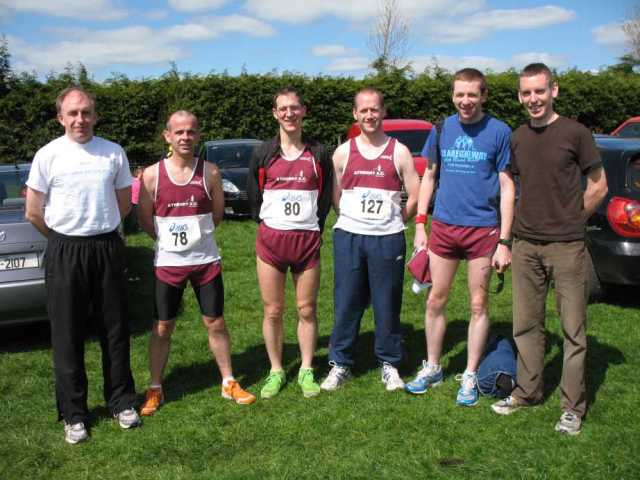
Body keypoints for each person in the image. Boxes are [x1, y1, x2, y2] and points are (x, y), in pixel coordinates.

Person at [491, 63, 608, 435]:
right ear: (520, 96)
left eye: (539, 91)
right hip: (526, 245)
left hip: (568, 246)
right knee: (526, 325)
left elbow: (599, 185)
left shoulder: (575, 132)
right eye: (526, 93)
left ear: (553, 90)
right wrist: (507, 241)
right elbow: (513, 186)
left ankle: (572, 407)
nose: (533, 99)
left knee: (573, 330)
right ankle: (528, 392)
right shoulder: (517, 137)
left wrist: (574, 220)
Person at [25, 86, 140, 444]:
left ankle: (121, 401)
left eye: (87, 112)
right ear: (61, 117)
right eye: (73, 113)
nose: (80, 119)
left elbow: (123, 204)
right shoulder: (48, 155)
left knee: (115, 329)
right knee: (67, 334)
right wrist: (64, 239)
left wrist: (97, 230)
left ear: (95, 115)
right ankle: (74, 414)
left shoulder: (113, 153)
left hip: (106, 246)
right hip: (64, 251)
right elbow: (33, 212)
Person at [405, 68, 515, 407]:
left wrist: (505, 241)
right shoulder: (442, 128)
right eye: (459, 95)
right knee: (435, 299)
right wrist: (421, 224)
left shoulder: (500, 132)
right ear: (453, 96)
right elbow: (429, 176)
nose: (465, 101)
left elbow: (508, 185)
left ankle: (468, 373)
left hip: (483, 231)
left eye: (472, 95)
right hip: (444, 229)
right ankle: (433, 367)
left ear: (483, 96)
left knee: (479, 304)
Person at [137, 110, 255, 415]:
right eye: (179, 132)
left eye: (191, 131)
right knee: (163, 326)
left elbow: (217, 215)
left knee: (215, 321)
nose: (185, 137)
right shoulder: (152, 175)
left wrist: (195, 241)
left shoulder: (211, 172)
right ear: (167, 136)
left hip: (205, 262)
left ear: (198, 135)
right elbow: (145, 220)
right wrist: (169, 243)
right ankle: (155, 387)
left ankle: (228, 381)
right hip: (168, 265)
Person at [321, 87, 420, 392]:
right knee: (347, 301)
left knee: (386, 301)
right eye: (363, 110)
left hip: (387, 238)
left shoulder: (398, 151)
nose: (369, 115)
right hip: (350, 236)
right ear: (355, 114)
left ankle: (389, 363)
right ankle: (340, 363)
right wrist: (346, 216)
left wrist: (398, 219)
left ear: (383, 112)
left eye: (374, 109)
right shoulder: (344, 152)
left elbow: (415, 193)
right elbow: (334, 192)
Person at [247, 87, 333, 398]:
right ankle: (276, 369)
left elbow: (324, 197)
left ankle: (307, 368)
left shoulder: (318, 153)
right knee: (273, 310)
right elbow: (254, 197)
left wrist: (316, 226)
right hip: (271, 243)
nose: (289, 114)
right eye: (283, 109)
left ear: (303, 111)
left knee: (306, 308)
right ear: (275, 113)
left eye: (294, 108)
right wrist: (269, 225)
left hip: (307, 242)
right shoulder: (263, 153)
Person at [124, 165, 143, 233]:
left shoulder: (142, 182)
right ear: (137, 173)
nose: (141, 175)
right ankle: (127, 229)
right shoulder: (132, 180)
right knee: (129, 216)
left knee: (136, 217)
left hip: (137, 202)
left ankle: (135, 229)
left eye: (142, 173)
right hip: (131, 201)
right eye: (140, 173)